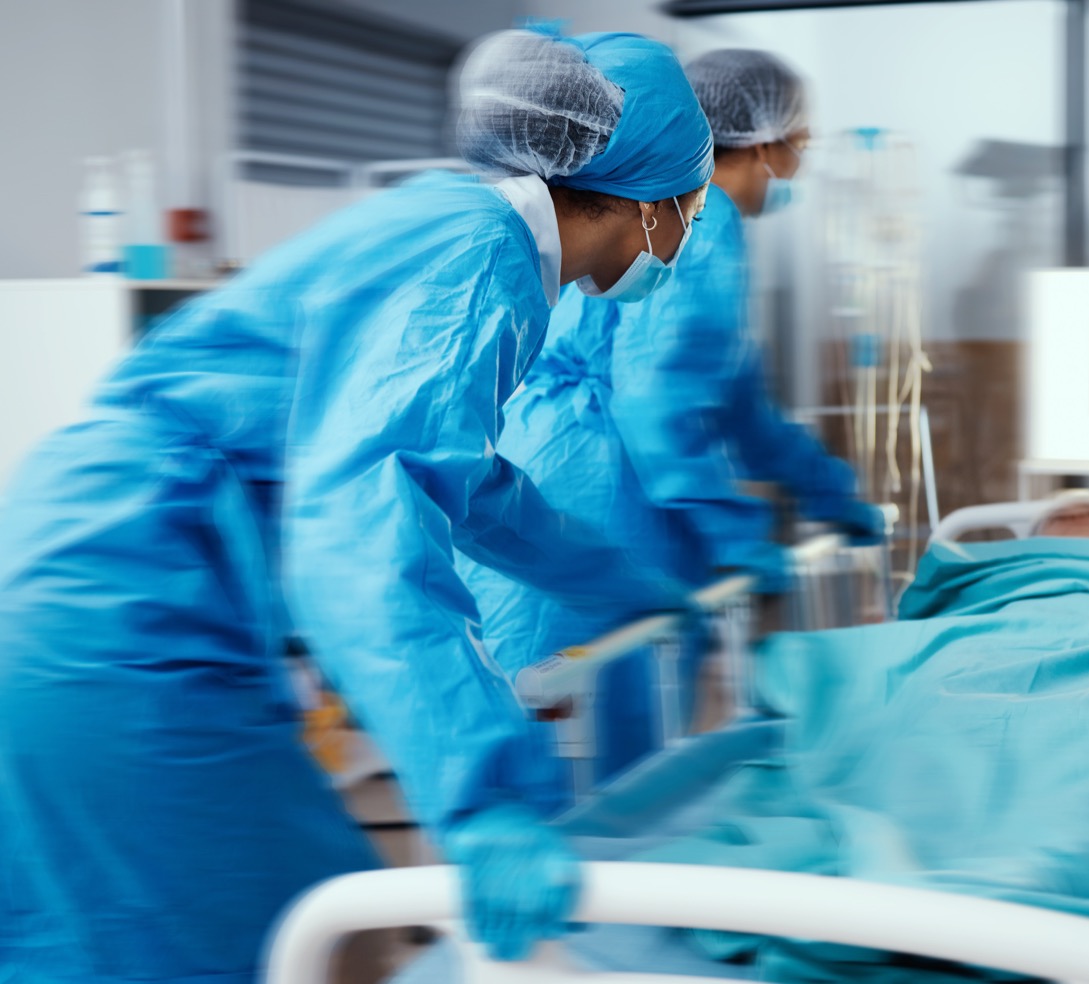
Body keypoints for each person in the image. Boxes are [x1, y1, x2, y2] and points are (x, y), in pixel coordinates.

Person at [0, 26, 713, 983]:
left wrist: (615, 575)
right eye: (694, 207)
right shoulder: (481, 258)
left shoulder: (458, 224)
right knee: (265, 944)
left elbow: (461, 482)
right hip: (124, 606)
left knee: (306, 933)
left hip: (101, 559)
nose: (689, 234)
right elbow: (363, 517)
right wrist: (485, 797)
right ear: (652, 203)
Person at [461, 49, 881, 784]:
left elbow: (736, 399)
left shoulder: (694, 225)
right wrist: (733, 531)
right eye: (802, 138)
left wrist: (826, 491)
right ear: (761, 141)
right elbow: (657, 399)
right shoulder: (700, 222)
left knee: (600, 735)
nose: (804, 157)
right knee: (602, 756)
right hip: (598, 487)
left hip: (564, 465)